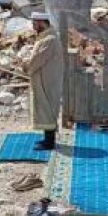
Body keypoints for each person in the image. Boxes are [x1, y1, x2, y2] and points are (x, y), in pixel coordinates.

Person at [25, 12, 63, 151]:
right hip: (43, 79)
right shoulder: (45, 37)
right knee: (44, 108)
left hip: (47, 80)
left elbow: (38, 59)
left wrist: (26, 66)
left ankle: (49, 142)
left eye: (35, 23)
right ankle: (47, 139)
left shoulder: (49, 39)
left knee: (48, 108)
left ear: (42, 22)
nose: (33, 26)